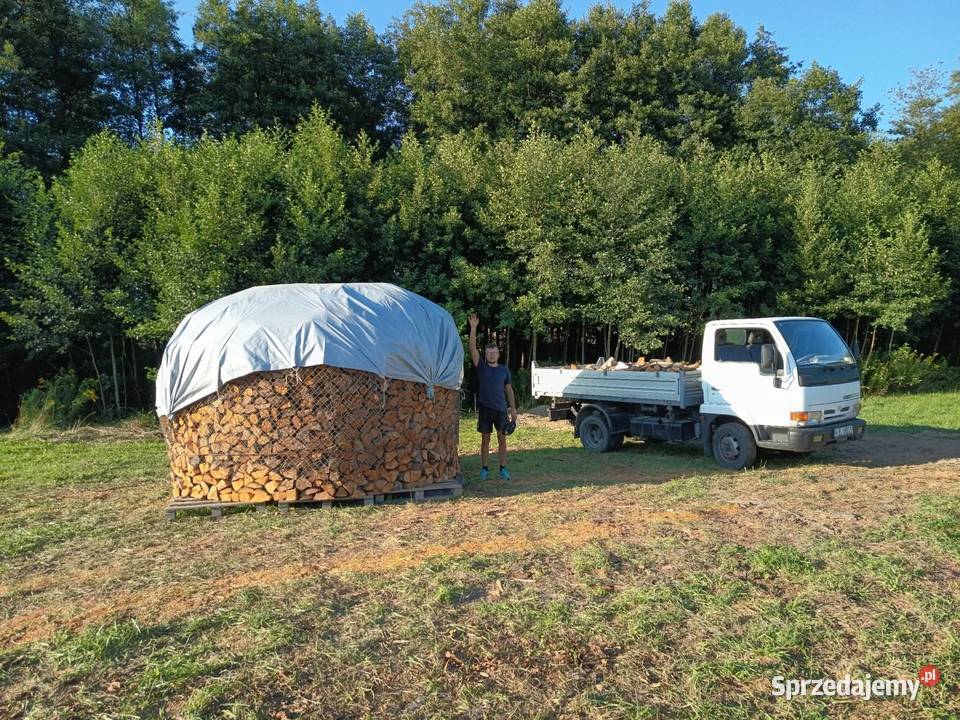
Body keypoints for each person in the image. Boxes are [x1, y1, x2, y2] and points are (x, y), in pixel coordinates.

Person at [468, 313, 517, 480]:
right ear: (486, 355)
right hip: (485, 408)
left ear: (498, 354)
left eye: (494, 352)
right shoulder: (481, 366)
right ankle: (485, 469)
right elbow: (473, 349)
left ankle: (503, 469)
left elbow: (509, 390)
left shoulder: (504, 370)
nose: (491, 355)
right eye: (489, 353)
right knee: (485, 441)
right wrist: (473, 328)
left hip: (501, 410)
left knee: (502, 440)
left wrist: (513, 409)